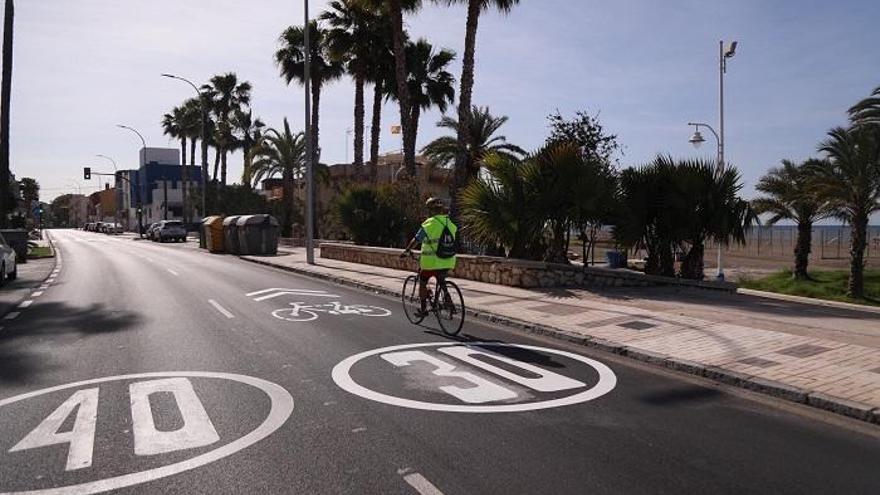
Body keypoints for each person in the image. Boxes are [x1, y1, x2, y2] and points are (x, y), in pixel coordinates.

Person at [402, 197, 457, 317]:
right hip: (448, 260)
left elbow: (416, 240)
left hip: (431, 262)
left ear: (430, 210)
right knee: (441, 279)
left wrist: (407, 251)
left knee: (422, 281)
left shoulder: (429, 223)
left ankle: (423, 309)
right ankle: (449, 303)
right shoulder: (450, 223)